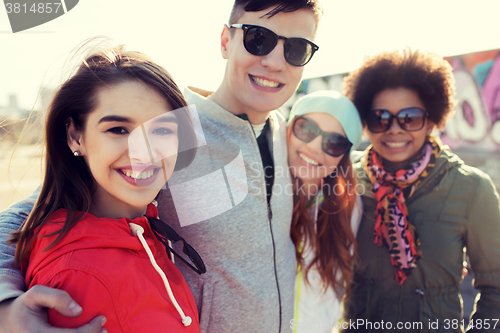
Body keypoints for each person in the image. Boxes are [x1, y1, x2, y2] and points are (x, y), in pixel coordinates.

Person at [0, 1, 323, 332]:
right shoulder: (169, 126)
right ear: (226, 41)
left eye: (296, 49)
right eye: (259, 38)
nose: (274, 62)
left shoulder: (287, 134)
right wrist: (5, 305)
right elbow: (29, 214)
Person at [3, 44, 201, 332]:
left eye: (160, 130)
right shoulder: (77, 274)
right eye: (118, 130)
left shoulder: (144, 229)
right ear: (75, 136)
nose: (143, 153)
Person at [341, 49, 500, 332]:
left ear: (431, 119)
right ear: (366, 123)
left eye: (410, 117)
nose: (394, 129)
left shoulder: (471, 189)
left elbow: (497, 290)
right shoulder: (344, 179)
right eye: (380, 117)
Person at [286, 91, 363, 333]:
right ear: (288, 128)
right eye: (306, 129)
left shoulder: (349, 208)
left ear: (344, 155)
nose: (314, 147)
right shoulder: (259, 195)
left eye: (333, 143)